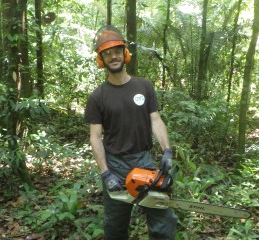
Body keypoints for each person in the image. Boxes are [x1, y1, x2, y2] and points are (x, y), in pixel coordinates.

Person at [84, 25, 178, 240]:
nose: (113, 56)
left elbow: (155, 120)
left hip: (143, 161)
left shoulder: (144, 86)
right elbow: (95, 137)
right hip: (115, 165)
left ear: (125, 54)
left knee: (162, 218)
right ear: (101, 60)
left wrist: (167, 151)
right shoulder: (97, 97)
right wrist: (105, 173)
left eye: (117, 51)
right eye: (107, 53)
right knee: (115, 226)